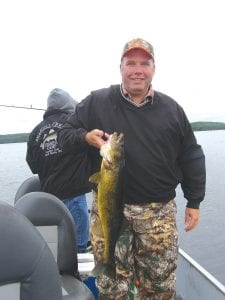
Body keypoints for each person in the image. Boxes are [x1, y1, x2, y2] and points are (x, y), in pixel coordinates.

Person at [58, 39, 206, 299]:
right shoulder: (97, 101)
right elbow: (64, 136)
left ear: (153, 68)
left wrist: (194, 200)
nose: (137, 70)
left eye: (144, 63)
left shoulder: (172, 110)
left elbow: (191, 154)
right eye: (131, 63)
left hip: (158, 214)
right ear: (121, 68)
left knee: (159, 288)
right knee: (112, 288)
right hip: (109, 208)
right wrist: (85, 137)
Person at [26, 88, 92, 253]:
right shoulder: (73, 125)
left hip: (50, 199)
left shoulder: (35, 132)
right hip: (75, 196)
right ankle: (78, 271)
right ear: (68, 105)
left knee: (59, 248)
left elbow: (33, 165)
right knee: (79, 247)